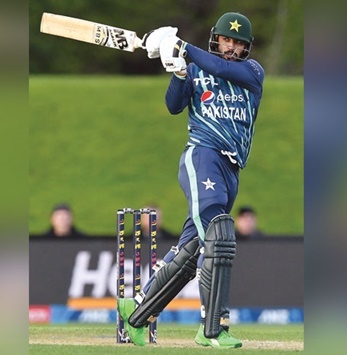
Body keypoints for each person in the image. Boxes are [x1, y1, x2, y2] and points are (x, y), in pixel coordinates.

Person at [117, 12, 264, 348]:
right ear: (216, 39)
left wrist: (181, 47)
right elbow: (173, 105)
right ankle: (213, 328)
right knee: (219, 233)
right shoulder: (197, 67)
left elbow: (224, 69)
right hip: (202, 157)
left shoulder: (252, 72)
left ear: (246, 48)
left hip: (230, 169)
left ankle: (136, 312)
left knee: (193, 248)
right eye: (226, 40)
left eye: (238, 43)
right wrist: (180, 71)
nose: (231, 47)